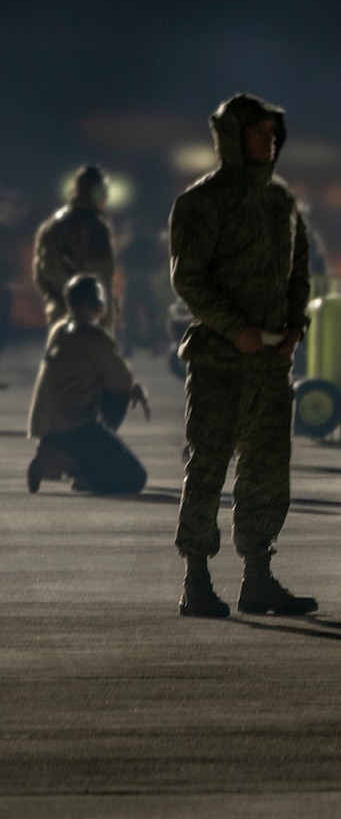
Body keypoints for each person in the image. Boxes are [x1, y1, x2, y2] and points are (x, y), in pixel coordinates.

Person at [169, 94, 317, 619]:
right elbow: (189, 278)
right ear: (232, 137)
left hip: (272, 365)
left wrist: (297, 324)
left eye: (273, 132)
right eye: (257, 131)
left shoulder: (281, 202)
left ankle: (258, 577)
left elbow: (299, 271)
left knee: (267, 472)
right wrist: (236, 331)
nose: (268, 140)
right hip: (219, 363)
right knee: (207, 466)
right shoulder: (201, 203)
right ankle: (197, 580)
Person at [26, 275, 149, 495]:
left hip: (47, 424)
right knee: (134, 478)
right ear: (97, 303)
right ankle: (76, 466)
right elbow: (121, 381)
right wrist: (135, 388)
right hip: (75, 426)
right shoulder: (94, 338)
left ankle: (59, 451)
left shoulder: (60, 329)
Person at [34, 165, 117, 328]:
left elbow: (41, 274)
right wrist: (105, 317)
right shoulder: (95, 226)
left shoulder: (52, 225)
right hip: (91, 318)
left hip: (58, 314)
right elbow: (103, 276)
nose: (105, 195)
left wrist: (58, 300)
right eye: (102, 190)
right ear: (94, 191)